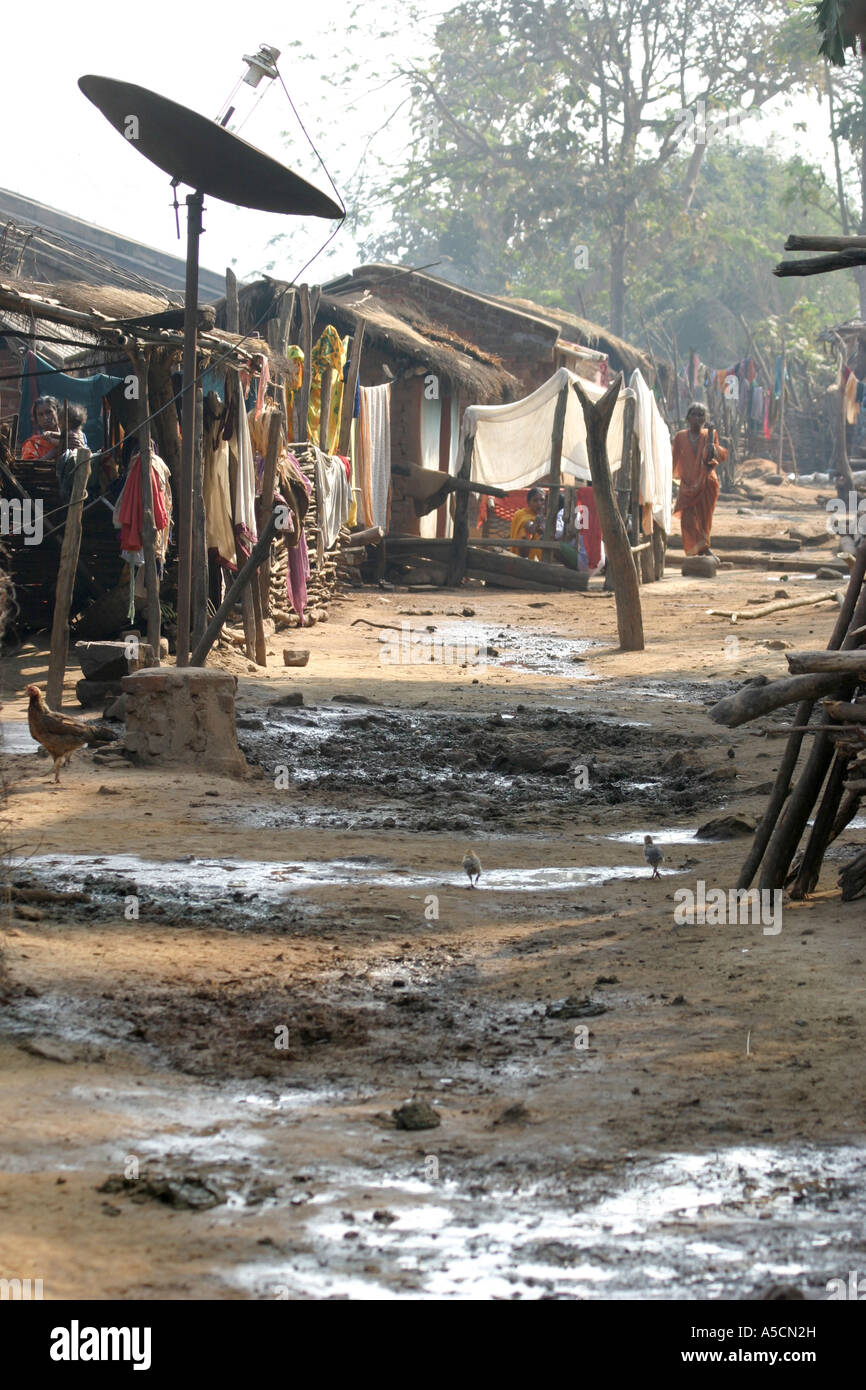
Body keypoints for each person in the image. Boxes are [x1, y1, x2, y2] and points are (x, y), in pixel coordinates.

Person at [672, 402, 727, 558]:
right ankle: (694, 549)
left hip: (706, 483)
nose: (697, 418)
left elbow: (712, 457)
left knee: (704, 518)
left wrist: (710, 438)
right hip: (687, 485)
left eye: (701, 415)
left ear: (705, 419)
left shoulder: (710, 434)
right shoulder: (680, 436)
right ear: (688, 417)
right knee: (687, 520)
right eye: (694, 414)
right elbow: (674, 460)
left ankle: (704, 548)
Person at [21, 395, 61, 461]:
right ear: (37, 419)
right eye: (40, 414)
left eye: (49, 412)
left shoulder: (72, 437)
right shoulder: (32, 444)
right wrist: (55, 451)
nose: (45, 417)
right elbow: (29, 468)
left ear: (58, 412)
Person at [510, 486, 545, 561]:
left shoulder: (546, 516)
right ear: (528, 503)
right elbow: (531, 528)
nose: (539, 503)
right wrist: (539, 517)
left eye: (542, 500)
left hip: (540, 558)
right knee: (524, 534)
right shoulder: (521, 514)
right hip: (521, 556)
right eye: (535, 500)